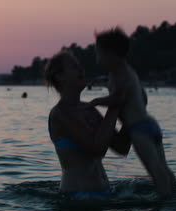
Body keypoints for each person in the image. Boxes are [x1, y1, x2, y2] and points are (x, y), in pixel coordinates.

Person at [89, 27, 176, 197]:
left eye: (99, 54)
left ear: (111, 55)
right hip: (149, 123)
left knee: (154, 169)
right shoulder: (128, 71)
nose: (97, 59)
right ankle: (175, 193)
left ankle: (165, 200)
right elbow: (143, 96)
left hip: (138, 129)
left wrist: (96, 101)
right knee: (162, 167)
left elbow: (118, 98)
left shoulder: (119, 74)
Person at [45, 50, 131, 199]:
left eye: (80, 66)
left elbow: (121, 147)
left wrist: (132, 111)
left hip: (104, 196)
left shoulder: (89, 110)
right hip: (76, 199)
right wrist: (114, 106)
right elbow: (97, 149)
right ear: (60, 77)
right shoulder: (60, 114)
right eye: (74, 66)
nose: (81, 69)